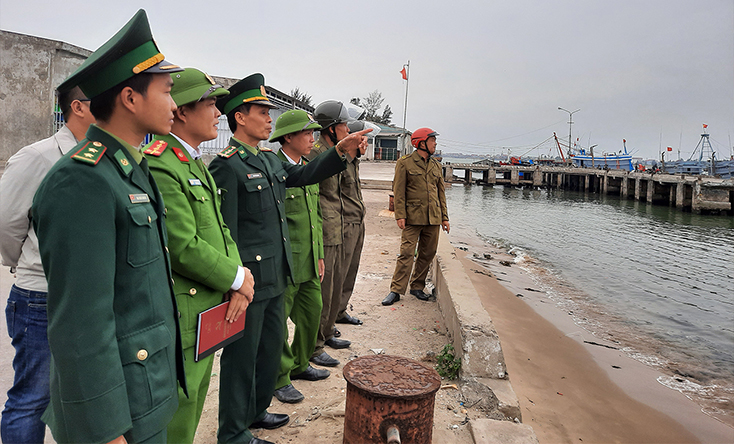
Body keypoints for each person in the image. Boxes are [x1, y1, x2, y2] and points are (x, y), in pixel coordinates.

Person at [31, 10, 186, 444]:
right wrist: (104, 431)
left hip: (143, 395)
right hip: (115, 416)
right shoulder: (82, 180)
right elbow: (81, 322)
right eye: (167, 91)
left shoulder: (129, 169)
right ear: (130, 99)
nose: (175, 105)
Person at [208, 74, 370, 444]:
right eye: (262, 111)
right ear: (240, 117)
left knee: (267, 355)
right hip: (249, 282)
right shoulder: (227, 166)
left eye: (269, 110)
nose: (269, 117)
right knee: (241, 361)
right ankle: (232, 433)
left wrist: (340, 151)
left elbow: (305, 173)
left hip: (277, 276)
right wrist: (233, 282)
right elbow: (224, 232)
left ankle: (256, 410)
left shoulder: (268, 160)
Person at [142, 68, 255, 444]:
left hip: (210, 307)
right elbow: (182, 246)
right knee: (179, 413)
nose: (218, 113)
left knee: (193, 406)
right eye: (210, 104)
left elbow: (221, 231)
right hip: (185, 313)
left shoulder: (192, 162)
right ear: (182, 112)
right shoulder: (161, 163)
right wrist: (237, 278)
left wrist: (240, 280)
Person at [0, 85, 95, 444]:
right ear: (78, 107)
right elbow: (7, 223)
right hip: (42, 296)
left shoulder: (104, 156)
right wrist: (29, 263)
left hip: (89, 296)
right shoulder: (38, 157)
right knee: (33, 398)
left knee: (83, 395)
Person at [269, 110, 330, 404]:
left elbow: (315, 216)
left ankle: (300, 364)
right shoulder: (276, 170)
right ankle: (279, 378)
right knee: (279, 323)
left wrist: (319, 255)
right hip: (287, 260)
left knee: (312, 311)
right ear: (288, 137)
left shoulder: (308, 167)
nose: (312, 138)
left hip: (309, 258)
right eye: (306, 133)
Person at [305, 100, 355, 368]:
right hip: (323, 230)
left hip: (337, 228)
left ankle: (326, 333)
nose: (347, 129)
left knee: (334, 288)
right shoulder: (317, 154)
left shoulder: (333, 152)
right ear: (331, 128)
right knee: (322, 293)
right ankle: (314, 347)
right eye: (344, 125)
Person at [382, 128, 450, 306]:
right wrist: (400, 215)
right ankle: (396, 290)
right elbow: (399, 190)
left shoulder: (436, 165)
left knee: (427, 253)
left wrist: (445, 217)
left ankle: (417, 287)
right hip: (412, 217)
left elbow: (440, 193)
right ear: (421, 143)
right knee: (406, 253)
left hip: (433, 218)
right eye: (432, 140)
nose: (435, 143)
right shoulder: (405, 163)